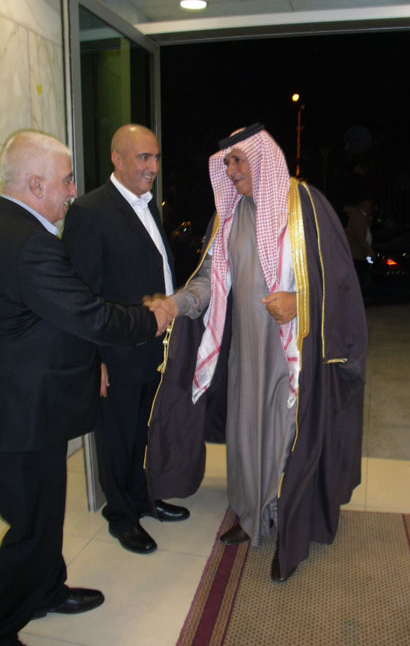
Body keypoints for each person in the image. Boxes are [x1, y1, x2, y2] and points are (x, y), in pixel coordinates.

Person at [144, 124, 368, 582]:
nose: (230, 171)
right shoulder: (227, 216)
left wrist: (299, 302)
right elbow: (208, 281)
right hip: (245, 355)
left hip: (295, 355)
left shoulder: (305, 207)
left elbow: (341, 285)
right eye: (225, 163)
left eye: (238, 160)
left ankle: (289, 525)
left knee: (288, 437)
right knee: (246, 435)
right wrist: (173, 304)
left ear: (263, 158)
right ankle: (250, 516)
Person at [0, 130, 169, 646]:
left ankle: (45, 591)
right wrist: (150, 320)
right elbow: (89, 313)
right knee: (32, 527)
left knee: (43, 516)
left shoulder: (13, 228)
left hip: (27, 403)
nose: (73, 191)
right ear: (35, 184)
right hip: (25, 410)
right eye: (66, 180)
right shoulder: (30, 244)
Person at [62, 124, 189, 556]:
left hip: (153, 346)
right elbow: (82, 295)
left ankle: (141, 499)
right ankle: (120, 515)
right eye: (143, 158)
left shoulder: (147, 204)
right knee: (116, 438)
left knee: (141, 432)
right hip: (116, 352)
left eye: (156, 157)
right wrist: (93, 360)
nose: (153, 167)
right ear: (117, 159)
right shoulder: (90, 211)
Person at [346, 197, 376, 299]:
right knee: (361, 277)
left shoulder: (363, 217)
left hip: (361, 254)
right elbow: (360, 237)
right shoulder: (358, 217)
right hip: (358, 254)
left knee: (363, 275)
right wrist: (370, 251)